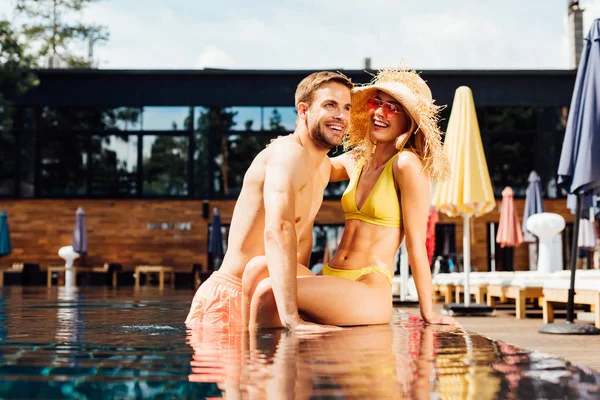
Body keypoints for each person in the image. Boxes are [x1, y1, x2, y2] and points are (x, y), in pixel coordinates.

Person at [243, 67, 459, 327]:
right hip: (334, 276)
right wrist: (290, 144)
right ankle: (247, 359)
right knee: (256, 268)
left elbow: (416, 245)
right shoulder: (357, 159)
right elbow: (312, 162)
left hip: (367, 286)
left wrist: (429, 313)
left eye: (392, 108)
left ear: (409, 120)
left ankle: (260, 364)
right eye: (376, 102)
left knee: (268, 293)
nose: (379, 112)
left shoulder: (406, 165)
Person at [185, 71, 353, 332]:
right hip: (231, 298)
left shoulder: (322, 167)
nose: (341, 116)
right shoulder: (287, 154)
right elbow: (278, 229)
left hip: (270, 299)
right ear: (304, 110)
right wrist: (292, 319)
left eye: (347, 108)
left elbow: (366, 157)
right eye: (330, 105)